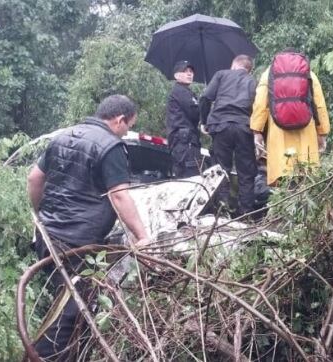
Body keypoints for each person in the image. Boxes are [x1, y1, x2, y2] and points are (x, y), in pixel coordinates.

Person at [26, 94, 150, 361]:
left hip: (47, 238)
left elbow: (34, 178)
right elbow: (119, 196)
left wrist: (40, 216)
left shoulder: (62, 136)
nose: (126, 132)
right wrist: (141, 236)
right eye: (128, 126)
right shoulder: (111, 146)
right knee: (70, 314)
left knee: (65, 305)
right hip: (77, 244)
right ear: (119, 120)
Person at [250, 48, 331, 186]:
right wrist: (322, 133)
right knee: (307, 179)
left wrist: (257, 132)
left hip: (279, 135)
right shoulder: (309, 74)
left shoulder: (269, 74)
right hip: (306, 135)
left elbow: (260, 104)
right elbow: (319, 105)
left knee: (283, 180)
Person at [199, 55, 257, 216]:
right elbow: (258, 108)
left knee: (220, 169)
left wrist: (204, 122)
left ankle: (221, 211)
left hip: (220, 125)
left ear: (234, 65)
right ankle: (246, 213)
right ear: (248, 69)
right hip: (244, 127)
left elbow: (205, 98)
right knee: (246, 171)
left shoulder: (221, 74)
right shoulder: (253, 81)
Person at [165, 60, 203, 178]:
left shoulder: (187, 92)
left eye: (191, 71)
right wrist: (204, 106)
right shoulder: (180, 91)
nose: (189, 74)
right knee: (191, 178)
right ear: (176, 75)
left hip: (184, 141)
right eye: (185, 71)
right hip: (185, 143)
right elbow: (194, 113)